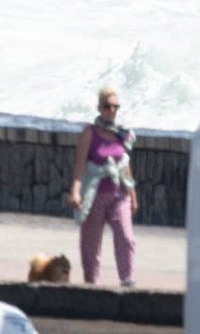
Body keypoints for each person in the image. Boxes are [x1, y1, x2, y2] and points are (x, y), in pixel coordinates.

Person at [67, 87, 136, 287]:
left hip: (119, 194)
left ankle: (127, 280)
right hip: (95, 194)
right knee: (91, 243)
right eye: (107, 106)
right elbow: (80, 167)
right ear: (99, 108)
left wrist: (133, 195)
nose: (111, 110)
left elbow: (125, 165)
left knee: (126, 238)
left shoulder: (123, 134)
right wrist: (75, 192)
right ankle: (92, 283)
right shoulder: (90, 132)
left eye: (115, 106)